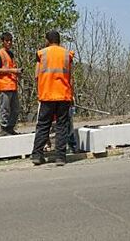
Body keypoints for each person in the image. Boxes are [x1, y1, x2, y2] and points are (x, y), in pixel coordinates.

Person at [31, 30, 75, 166]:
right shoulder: (67, 54)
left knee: (43, 126)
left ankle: (37, 155)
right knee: (62, 126)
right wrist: (71, 95)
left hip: (47, 95)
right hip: (63, 95)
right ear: (59, 40)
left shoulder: (42, 54)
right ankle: (60, 157)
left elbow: (37, 75)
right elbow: (70, 78)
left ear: (47, 40)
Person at [0, 32, 22, 135]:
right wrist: (13, 71)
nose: (9, 43)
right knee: (5, 108)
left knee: (15, 109)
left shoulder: (11, 54)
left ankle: (10, 127)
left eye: (10, 41)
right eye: (7, 41)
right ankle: (4, 127)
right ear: (2, 42)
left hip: (12, 85)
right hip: (4, 85)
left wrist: (17, 73)